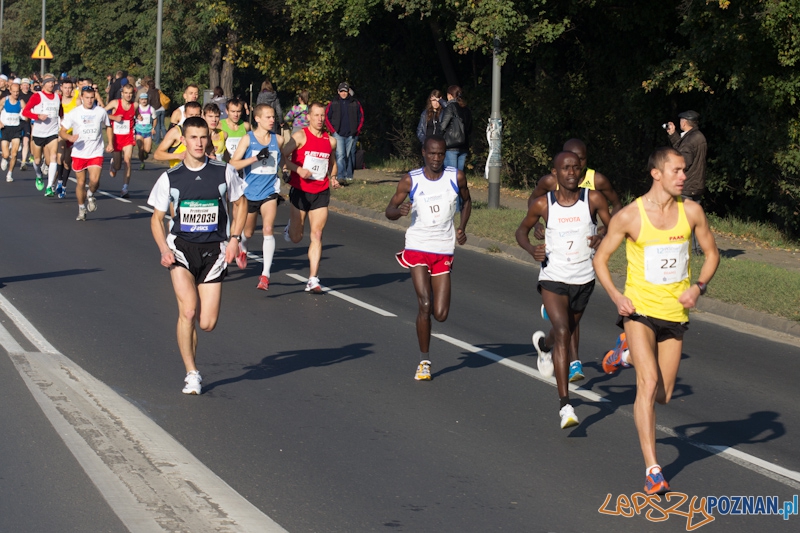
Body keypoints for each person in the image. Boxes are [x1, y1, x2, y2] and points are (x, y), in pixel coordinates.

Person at [593, 146, 719, 495]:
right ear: (657, 173)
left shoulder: (691, 212)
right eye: (677, 170)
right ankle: (653, 468)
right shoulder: (630, 216)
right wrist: (618, 297)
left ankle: (626, 355)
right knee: (647, 385)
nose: (684, 176)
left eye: (685, 171)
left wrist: (698, 288)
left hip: (674, 314)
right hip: (639, 311)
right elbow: (601, 259)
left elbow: (711, 253)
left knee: (664, 395)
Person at [147, 116, 247, 395]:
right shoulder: (170, 177)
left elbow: (241, 203)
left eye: (204, 137)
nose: (199, 142)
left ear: (209, 138)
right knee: (188, 311)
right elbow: (156, 219)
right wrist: (164, 250)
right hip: (181, 247)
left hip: (214, 251)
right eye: (193, 137)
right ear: (184, 140)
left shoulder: (223, 171)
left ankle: (193, 365)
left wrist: (235, 240)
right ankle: (192, 373)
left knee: (207, 323)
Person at [516, 151, 611, 429]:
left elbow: (612, 224)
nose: (571, 172)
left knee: (563, 331)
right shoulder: (542, 204)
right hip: (553, 277)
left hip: (584, 278)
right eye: (565, 168)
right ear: (554, 174)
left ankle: (543, 347)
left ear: (582, 172)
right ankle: (565, 405)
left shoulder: (593, 199)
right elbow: (521, 231)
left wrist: (601, 235)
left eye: (576, 167)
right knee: (563, 332)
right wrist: (531, 249)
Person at [385, 134, 472, 381]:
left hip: (443, 249)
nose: (436, 158)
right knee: (424, 304)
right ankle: (424, 361)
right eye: (432, 153)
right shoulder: (410, 180)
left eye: (440, 154)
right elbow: (389, 210)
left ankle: (430, 304)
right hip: (418, 246)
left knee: (440, 313)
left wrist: (462, 228)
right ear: (423, 152)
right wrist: (399, 212)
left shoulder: (455, 177)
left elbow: (466, 202)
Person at [280, 101, 340, 293]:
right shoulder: (299, 137)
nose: (320, 119)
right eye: (316, 115)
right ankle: (291, 229)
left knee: (317, 234)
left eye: (322, 116)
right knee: (297, 238)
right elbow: (282, 157)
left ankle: (313, 278)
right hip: (300, 190)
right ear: (309, 117)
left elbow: (332, 163)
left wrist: (333, 177)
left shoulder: (330, 141)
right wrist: (297, 169)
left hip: (320, 192)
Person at [230, 104, 283, 290]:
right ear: (257, 119)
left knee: (268, 228)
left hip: (270, 191)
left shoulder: (279, 140)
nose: (272, 120)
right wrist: (254, 159)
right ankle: (242, 246)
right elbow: (233, 164)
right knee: (249, 232)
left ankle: (265, 275)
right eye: (268, 117)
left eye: (273, 117)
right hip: (250, 192)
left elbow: (283, 160)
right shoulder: (248, 139)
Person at [60, 86, 112, 221]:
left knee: (94, 181)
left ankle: (90, 194)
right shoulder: (74, 113)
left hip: (96, 151)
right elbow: (62, 131)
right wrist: (69, 138)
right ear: (81, 98)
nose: (89, 101)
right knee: (81, 182)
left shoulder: (101, 112)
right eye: (87, 98)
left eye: (92, 98)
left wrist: (110, 143)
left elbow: (108, 126)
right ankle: (81, 208)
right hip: (79, 152)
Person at [666, 110, 707, 255]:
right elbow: (682, 149)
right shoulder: (698, 136)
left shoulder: (690, 140)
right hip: (697, 184)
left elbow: (683, 161)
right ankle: (697, 249)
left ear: (684, 122)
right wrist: (673, 135)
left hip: (688, 185)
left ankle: (690, 249)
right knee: (695, 218)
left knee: (685, 219)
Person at [21, 73, 61, 196]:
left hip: (53, 132)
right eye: (48, 82)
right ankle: (38, 175)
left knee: (53, 157)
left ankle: (49, 187)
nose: (51, 84)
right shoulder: (37, 96)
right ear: (44, 84)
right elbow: (25, 111)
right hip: (39, 133)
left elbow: (60, 112)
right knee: (37, 160)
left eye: (52, 82)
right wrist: (37, 116)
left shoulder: (57, 96)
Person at [324, 82, 363, 185]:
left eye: (345, 91)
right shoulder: (333, 102)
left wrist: (357, 130)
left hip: (351, 134)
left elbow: (361, 117)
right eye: (341, 91)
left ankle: (347, 175)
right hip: (338, 133)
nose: (343, 93)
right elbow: (326, 116)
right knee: (340, 155)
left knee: (347, 155)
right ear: (338, 92)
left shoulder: (355, 103)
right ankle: (341, 176)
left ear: (348, 91)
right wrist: (332, 130)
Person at [105, 84, 138, 197]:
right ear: (122, 93)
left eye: (130, 93)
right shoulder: (115, 103)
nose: (128, 95)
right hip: (116, 138)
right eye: (126, 93)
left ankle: (125, 188)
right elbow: (101, 113)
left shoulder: (135, 105)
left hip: (128, 137)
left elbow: (137, 115)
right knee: (118, 166)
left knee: (128, 161)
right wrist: (114, 117)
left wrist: (139, 117)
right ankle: (113, 164)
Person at [153, 101, 202, 168]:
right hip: (178, 174)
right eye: (191, 115)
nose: (194, 118)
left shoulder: (204, 132)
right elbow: (157, 155)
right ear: (184, 114)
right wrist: (178, 156)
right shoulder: (176, 131)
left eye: (197, 115)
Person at [55, 77, 79, 198]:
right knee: (59, 156)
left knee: (67, 162)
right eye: (65, 88)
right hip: (61, 132)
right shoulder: (57, 100)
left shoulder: (77, 101)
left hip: (72, 134)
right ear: (61, 88)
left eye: (70, 88)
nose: (67, 90)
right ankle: (59, 181)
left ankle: (64, 186)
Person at [439, 85, 472, 171]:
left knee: (451, 175)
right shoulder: (466, 109)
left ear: (449, 95)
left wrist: (438, 138)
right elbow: (470, 127)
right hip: (464, 145)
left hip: (451, 145)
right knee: (459, 176)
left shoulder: (451, 107)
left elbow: (443, 126)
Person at [0, 81, 24, 182]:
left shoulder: (21, 102)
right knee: (6, 154)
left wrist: (26, 117)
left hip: (16, 129)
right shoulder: (4, 100)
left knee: (14, 154)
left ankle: (9, 174)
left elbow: (27, 112)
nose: (15, 94)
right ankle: (4, 158)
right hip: (5, 128)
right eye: (13, 92)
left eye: (17, 92)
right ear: (10, 91)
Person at [135, 92, 155, 170]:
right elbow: (133, 118)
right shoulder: (137, 109)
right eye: (142, 99)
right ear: (139, 100)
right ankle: (142, 162)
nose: (144, 101)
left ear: (147, 100)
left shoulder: (151, 109)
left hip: (148, 131)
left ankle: (145, 155)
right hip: (139, 131)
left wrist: (153, 128)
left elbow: (155, 119)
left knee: (147, 150)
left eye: (145, 99)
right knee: (141, 148)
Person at [18, 78, 33, 170]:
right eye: (24, 84)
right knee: (15, 141)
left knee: (26, 140)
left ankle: (23, 161)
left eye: (27, 85)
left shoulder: (32, 95)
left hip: (28, 121)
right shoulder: (17, 95)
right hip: (17, 121)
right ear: (21, 86)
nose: (26, 86)